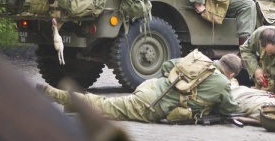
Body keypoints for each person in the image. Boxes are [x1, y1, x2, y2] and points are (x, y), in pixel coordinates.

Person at [36, 52, 242, 122]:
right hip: (151, 105)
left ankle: (73, 107)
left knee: (108, 105)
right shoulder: (223, 83)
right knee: (104, 106)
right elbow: (230, 109)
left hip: (151, 86)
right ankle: (55, 94)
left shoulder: (200, 60)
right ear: (231, 74)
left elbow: (167, 66)